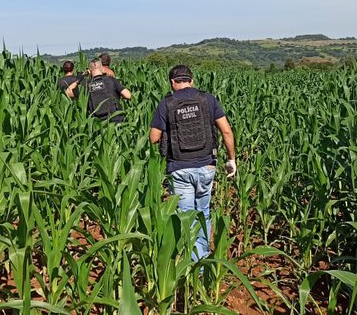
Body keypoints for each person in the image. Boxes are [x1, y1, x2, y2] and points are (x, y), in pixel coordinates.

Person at [149, 64, 236, 262]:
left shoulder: (166, 103)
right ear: (192, 80)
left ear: (172, 82)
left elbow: (154, 138)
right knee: (203, 213)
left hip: (179, 168)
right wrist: (231, 160)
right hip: (207, 166)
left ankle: (192, 265)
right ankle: (202, 261)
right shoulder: (207, 99)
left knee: (185, 217)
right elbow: (227, 131)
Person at [66, 58, 132, 122]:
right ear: (102, 68)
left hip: (98, 124)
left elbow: (68, 92)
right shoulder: (111, 80)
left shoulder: (85, 85)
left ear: (90, 71)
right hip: (116, 119)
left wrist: (80, 78)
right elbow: (128, 95)